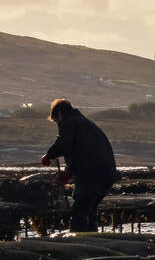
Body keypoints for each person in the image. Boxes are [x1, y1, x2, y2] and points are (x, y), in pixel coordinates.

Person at [42, 98, 116, 232]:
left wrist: (49, 156)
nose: (57, 124)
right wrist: (69, 172)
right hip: (106, 173)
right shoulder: (83, 123)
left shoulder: (69, 122)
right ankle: (92, 240)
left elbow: (64, 144)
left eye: (56, 120)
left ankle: (78, 240)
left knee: (80, 211)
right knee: (90, 209)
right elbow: (82, 152)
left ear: (59, 114)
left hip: (91, 174)